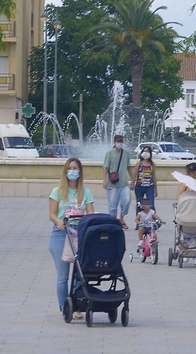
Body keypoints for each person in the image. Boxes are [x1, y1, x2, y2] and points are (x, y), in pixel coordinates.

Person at [47, 157, 96, 316]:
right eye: (69, 168)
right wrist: (58, 221)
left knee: (79, 273)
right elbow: (52, 214)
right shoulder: (57, 192)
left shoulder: (85, 192)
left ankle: (77, 306)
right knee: (63, 275)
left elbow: (90, 213)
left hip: (80, 233)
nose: (72, 171)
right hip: (61, 232)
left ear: (80, 171)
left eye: (75, 168)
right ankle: (64, 307)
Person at [104, 134, 132, 220]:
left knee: (127, 201)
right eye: (118, 141)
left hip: (124, 183)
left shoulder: (126, 153)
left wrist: (133, 180)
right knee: (112, 204)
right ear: (114, 142)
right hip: (113, 184)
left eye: (121, 141)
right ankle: (113, 220)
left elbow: (129, 167)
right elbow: (105, 167)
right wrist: (104, 180)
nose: (119, 143)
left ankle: (122, 217)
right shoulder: (109, 153)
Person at [133, 147, 157, 211]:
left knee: (150, 204)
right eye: (144, 151)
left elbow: (154, 176)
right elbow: (135, 174)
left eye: (147, 151)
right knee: (139, 204)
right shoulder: (139, 163)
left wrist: (155, 189)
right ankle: (139, 218)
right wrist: (132, 183)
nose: (145, 153)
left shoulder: (152, 164)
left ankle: (153, 219)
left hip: (149, 187)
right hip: (139, 186)